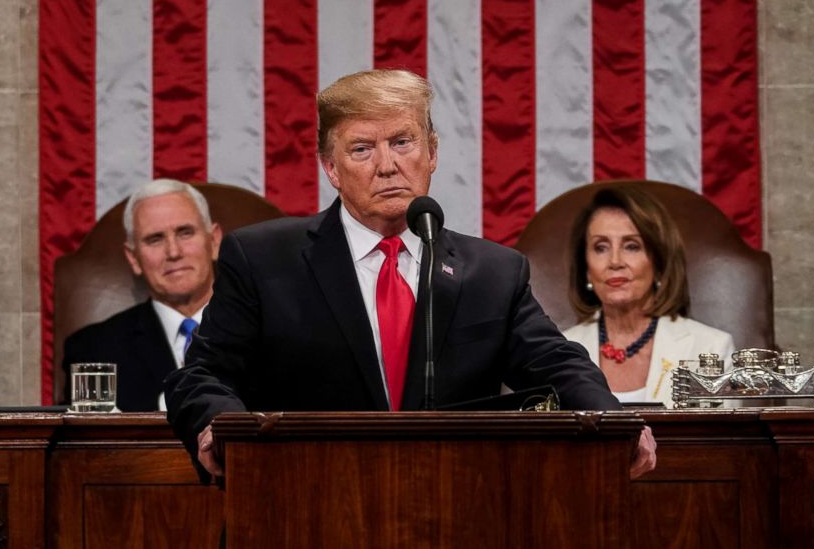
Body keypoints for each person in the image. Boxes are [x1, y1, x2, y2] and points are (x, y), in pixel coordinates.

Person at [167, 69, 656, 478]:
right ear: (331, 168)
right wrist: (218, 427)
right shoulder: (262, 260)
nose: (388, 166)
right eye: (362, 149)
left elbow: (557, 366)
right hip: (304, 498)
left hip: (456, 504)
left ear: (433, 153)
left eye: (403, 142)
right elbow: (202, 375)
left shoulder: (492, 273)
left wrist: (616, 424)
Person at [562, 185, 735, 408]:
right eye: (600, 247)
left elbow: (724, 441)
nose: (615, 261)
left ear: (659, 262)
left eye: (632, 246)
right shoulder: (560, 351)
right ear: (586, 268)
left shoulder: (711, 348)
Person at [62, 179, 221, 411]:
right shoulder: (93, 350)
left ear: (214, 241)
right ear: (133, 258)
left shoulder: (267, 334)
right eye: (155, 239)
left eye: (185, 233)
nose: (173, 252)